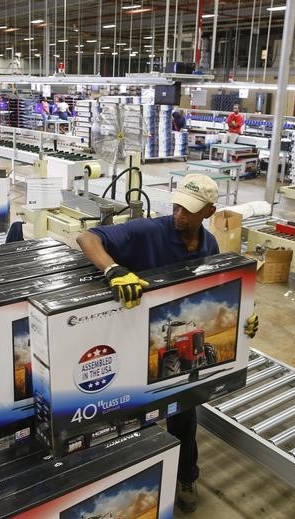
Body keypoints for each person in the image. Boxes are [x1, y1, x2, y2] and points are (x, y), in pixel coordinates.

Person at [76, 174, 220, 514]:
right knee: (128, 416)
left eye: (191, 210)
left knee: (184, 411)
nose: (180, 215)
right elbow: (86, 237)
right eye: (178, 206)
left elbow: (215, 288)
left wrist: (245, 322)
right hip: (133, 338)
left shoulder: (209, 246)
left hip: (178, 330)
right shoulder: (149, 231)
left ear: (209, 211)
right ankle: (129, 483)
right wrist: (113, 270)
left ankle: (185, 475)